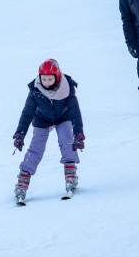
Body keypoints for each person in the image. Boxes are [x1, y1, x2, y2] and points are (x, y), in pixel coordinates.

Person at [12, 59, 85, 203]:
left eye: (49, 79)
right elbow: (27, 113)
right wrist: (20, 133)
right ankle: (22, 183)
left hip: (62, 117)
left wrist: (78, 133)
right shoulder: (35, 90)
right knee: (36, 149)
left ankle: (70, 176)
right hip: (42, 119)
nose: (46, 82)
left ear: (57, 76)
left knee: (67, 141)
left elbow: (75, 112)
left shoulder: (66, 88)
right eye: (43, 78)